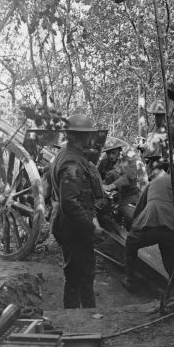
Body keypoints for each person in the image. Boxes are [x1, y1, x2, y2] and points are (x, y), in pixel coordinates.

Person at [50, 114, 104, 309]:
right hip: (73, 229)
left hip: (74, 227)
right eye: (90, 135)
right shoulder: (71, 162)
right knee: (77, 277)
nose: (94, 139)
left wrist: (93, 220)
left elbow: (82, 197)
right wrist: (91, 228)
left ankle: (85, 319)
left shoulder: (71, 155)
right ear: (81, 136)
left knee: (82, 275)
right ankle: (78, 323)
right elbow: (70, 203)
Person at [124, 161, 174, 297]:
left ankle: (130, 280)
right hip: (173, 228)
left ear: (169, 170)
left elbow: (138, 209)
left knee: (130, 244)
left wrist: (133, 228)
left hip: (148, 222)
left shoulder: (153, 182)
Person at [138, 100, 174, 174]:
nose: (155, 117)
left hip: (164, 168)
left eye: (158, 115)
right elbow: (150, 145)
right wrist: (142, 147)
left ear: (164, 115)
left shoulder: (172, 127)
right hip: (150, 168)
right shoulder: (151, 128)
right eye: (154, 114)